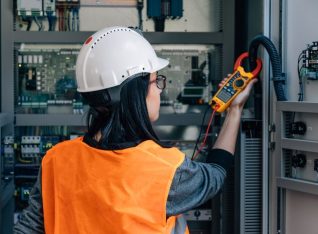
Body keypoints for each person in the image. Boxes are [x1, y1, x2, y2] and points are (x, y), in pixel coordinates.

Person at [14, 26, 257, 234]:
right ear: (134, 93)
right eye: (155, 81)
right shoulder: (165, 169)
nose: (160, 90)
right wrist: (234, 110)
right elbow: (214, 176)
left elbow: (29, 228)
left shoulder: (57, 159)